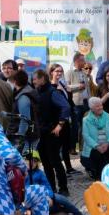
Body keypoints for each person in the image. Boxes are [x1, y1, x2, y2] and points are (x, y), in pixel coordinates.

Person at [33, 69, 71, 197]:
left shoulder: (52, 92)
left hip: (51, 133)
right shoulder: (37, 92)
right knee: (46, 162)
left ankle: (64, 188)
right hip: (41, 133)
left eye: (35, 79)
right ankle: (51, 188)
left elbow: (66, 107)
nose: (33, 81)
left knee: (55, 161)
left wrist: (60, 124)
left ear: (42, 79)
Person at [24, 150, 86, 215]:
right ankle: (62, 209)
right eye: (29, 160)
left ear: (37, 163)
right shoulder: (23, 174)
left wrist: (49, 196)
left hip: (44, 196)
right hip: (33, 201)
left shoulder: (40, 173)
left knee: (62, 200)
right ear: (25, 161)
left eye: (35, 161)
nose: (32, 163)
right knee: (50, 208)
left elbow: (47, 186)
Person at [81, 96, 109, 180]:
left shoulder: (108, 117)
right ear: (92, 108)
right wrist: (97, 146)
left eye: (101, 105)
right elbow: (86, 136)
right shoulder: (86, 120)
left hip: (108, 145)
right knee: (97, 156)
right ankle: (99, 181)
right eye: (97, 106)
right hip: (94, 148)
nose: (100, 107)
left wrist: (108, 143)